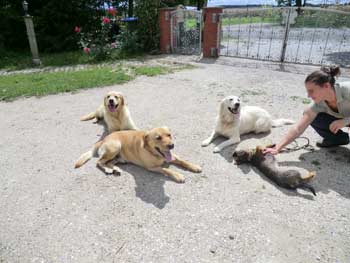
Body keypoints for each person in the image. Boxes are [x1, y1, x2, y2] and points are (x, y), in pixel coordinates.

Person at [264, 66, 350, 155]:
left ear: (326, 86)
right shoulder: (318, 104)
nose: (308, 95)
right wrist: (277, 147)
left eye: (311, 91)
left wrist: (346, 121)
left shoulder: (347, 89)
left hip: (346, 119)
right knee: (313, 117)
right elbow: (298, 128)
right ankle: (338, 139)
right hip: (344, 119)